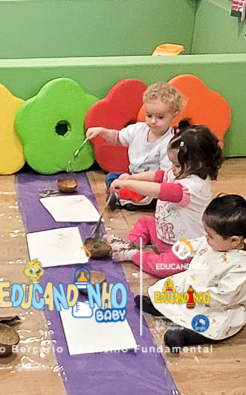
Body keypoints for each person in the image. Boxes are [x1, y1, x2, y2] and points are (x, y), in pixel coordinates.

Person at [134, 194, 246, 351]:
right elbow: (200, 242)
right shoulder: (219, 242)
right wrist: (186, 246)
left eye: (210, 236)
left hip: (214, 304)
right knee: (169, 288)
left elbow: (225, 296)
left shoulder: (241, 267)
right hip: (193, 284)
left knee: (213, 324)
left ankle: (186, 335)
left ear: (234, 241)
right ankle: (160, 306)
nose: (206, 238)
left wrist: (197, 296)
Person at [108, 125, 223, 275]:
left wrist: (127, 185)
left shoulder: (194, 186)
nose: (172, 168)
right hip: (164, 233)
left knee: (162, 267)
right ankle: (128, 245)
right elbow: (160, 175)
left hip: (183, 246)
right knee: (145, 222)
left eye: (176, 164)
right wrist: (132, 177)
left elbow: (159, 190)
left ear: (198, 164)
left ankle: (133, 254)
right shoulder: (182, 171)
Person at [86, 82, 185, 209]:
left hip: (151, 183)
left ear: (174, 115)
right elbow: (117, 138)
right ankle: (122, 194)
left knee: (144, 193)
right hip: (133, 175)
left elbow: (165, 176)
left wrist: (134, 181)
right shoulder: (138, 129)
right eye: (149, 115)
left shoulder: (170, 142)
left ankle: (123, 197)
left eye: (160, 117)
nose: (153, 121)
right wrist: (102, 131)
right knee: (112, 177)